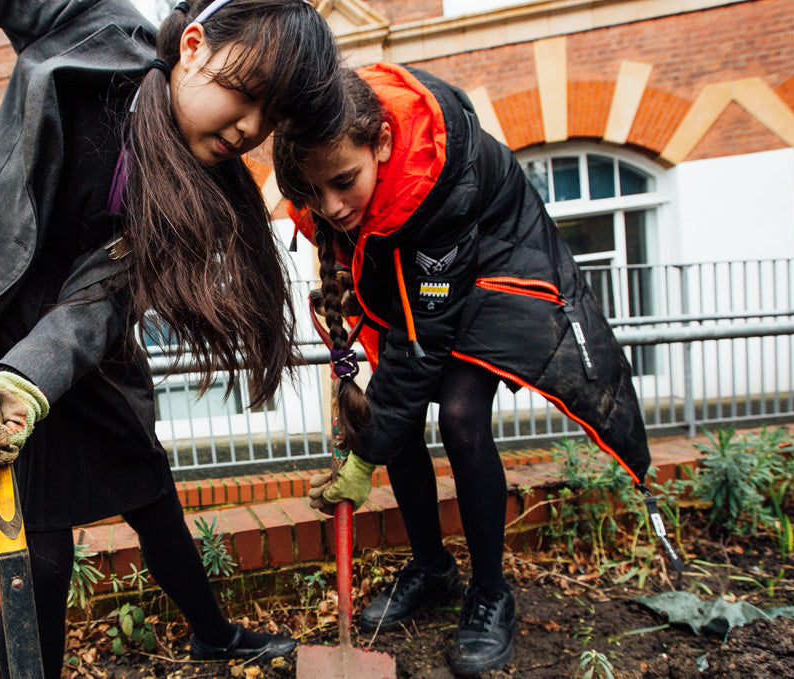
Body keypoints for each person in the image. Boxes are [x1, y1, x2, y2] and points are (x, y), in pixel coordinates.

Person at [0, 1, 345, 676]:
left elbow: (102, 299)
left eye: (269, 117)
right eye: (244, 93)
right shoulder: (94, 24)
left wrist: (30, 382)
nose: (250, 128)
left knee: (149, 491)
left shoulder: (197, 189)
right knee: (38, 542)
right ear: (194, 46)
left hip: (76, 343)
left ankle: (212, 633)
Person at [274, 64, 656, 675]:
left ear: (383, 144)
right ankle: (432, 568)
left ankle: (490, 592)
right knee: (392, 418)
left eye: (343, 183)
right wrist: (374, 432)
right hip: (421, 270)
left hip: (498, 267)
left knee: (460, 416)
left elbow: (424, 339)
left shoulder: (438, 181)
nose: (332, 207)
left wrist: (362, 460)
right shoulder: (334, 154)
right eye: (315, 193)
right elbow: (402, 340)